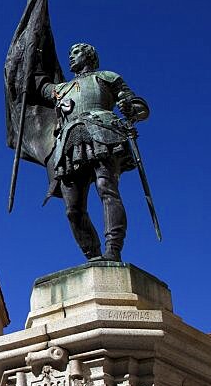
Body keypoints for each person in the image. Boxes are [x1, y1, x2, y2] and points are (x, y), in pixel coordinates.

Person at [37, 43, 149, 261]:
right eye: (69, 54)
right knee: (73, 208)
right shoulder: (61, 89)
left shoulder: (107, 76)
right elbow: (39, 86)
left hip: (102, 132)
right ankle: (92, 253)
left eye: (76, 53)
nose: (71, 57)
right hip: (70, 142)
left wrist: (130, 109)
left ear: (89, 56)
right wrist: (34, 52)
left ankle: (113, 249)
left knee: (106, 188)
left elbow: (139, 107)